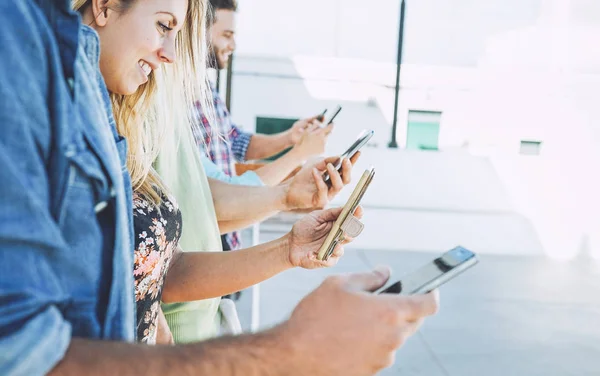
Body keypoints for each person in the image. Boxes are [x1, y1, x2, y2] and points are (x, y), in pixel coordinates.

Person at [0, 1, 439, 375]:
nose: (171, 53)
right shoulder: (23, 50)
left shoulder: (108, 102)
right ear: (103, 5)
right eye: (164, 25)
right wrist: (289, 351)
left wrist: (288, 247)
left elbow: (155, 273)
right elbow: (24, 352)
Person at [193, 0, 332, 254]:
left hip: (225, 228)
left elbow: (236, 142)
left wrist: (291, 137)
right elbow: (221, 192)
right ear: (197, 31)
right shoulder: (172, 98)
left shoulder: (205, 87)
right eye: (226, 35)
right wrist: (299, 154)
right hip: (206, 228)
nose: (232, 45)